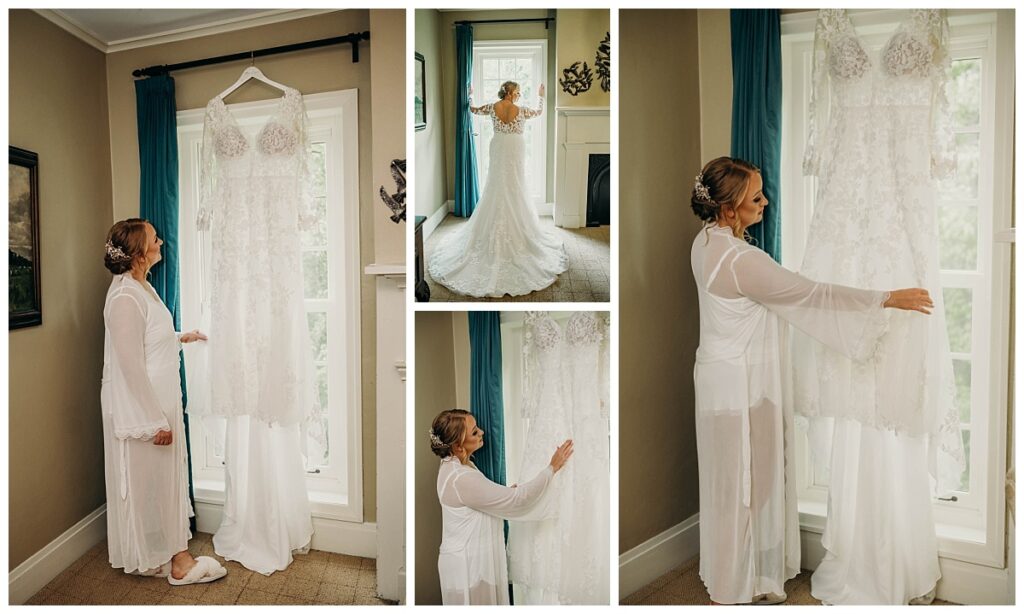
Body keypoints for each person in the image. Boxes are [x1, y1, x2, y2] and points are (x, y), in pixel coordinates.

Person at [688, 157, 933, 605]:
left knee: (728, 482)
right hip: (745, 385)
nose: (765, 202)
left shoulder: (704, 243)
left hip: (715, 379)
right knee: (752, 483)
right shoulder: (741, 261)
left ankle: (730, 574)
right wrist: (885, 298)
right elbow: (810, 293)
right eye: (755, 197)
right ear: (727, 208)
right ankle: (743, 581)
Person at [101, 218, 226, 585]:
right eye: (155, 239)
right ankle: (175, 562)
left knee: (160, 481)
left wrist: (179, 337)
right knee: (148, 483)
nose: (161, 243)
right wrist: (155, 419)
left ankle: (168, 555)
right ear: (139, 253)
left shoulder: (141, 288)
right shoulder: (125, 297)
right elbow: (129, 366)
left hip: (158, 401)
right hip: (144, 408)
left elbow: (146, 340)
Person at [428, 81, 568, 298]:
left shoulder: (492, 107)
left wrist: (470, 96)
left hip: (499, 146)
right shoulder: (521, 111)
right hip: (514, 148)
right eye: (519, 92)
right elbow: (539, 112)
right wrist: (541, 96)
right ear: (510, 92)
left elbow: (473, 109)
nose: (520, 96)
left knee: (497, 184)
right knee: (515, 185)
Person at [430, 409, 573, 604]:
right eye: (474, 432)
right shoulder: (461, 477)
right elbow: (517, 500)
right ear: (457, 446)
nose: (481, 432)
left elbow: (478, 500)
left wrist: (500, 495)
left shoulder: (455, 466)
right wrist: (552, 468)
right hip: (468, 565)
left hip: (471, 559)